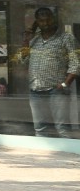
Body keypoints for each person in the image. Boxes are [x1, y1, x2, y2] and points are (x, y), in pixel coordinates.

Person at [27, 7, 78, 138]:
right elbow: (23, 61)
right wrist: (26, 41)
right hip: (35, 89)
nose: (45, 23)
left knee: (62, 129)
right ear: (37, 22)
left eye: (47, 20)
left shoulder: (66, 38)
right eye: (41, 21)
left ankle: (69, 155)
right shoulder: (34, 40)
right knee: (39, 129)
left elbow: (76, 63)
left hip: (57, 90)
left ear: (53, 20)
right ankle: (41, 155)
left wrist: (65, 84)